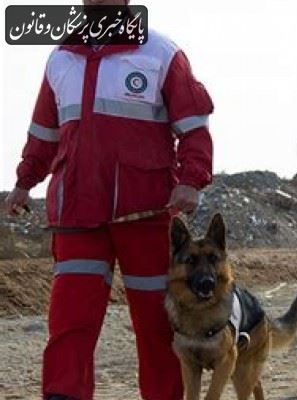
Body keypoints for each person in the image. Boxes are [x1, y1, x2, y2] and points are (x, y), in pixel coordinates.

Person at [3, 1, 214, 399]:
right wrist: (24, 181)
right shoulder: (60, 57)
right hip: (78, 216)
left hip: (146, 213)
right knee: (70, 322)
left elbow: (194, 129)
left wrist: (191, 180)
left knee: (156, 325)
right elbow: (44, 133)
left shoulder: (160, 53)